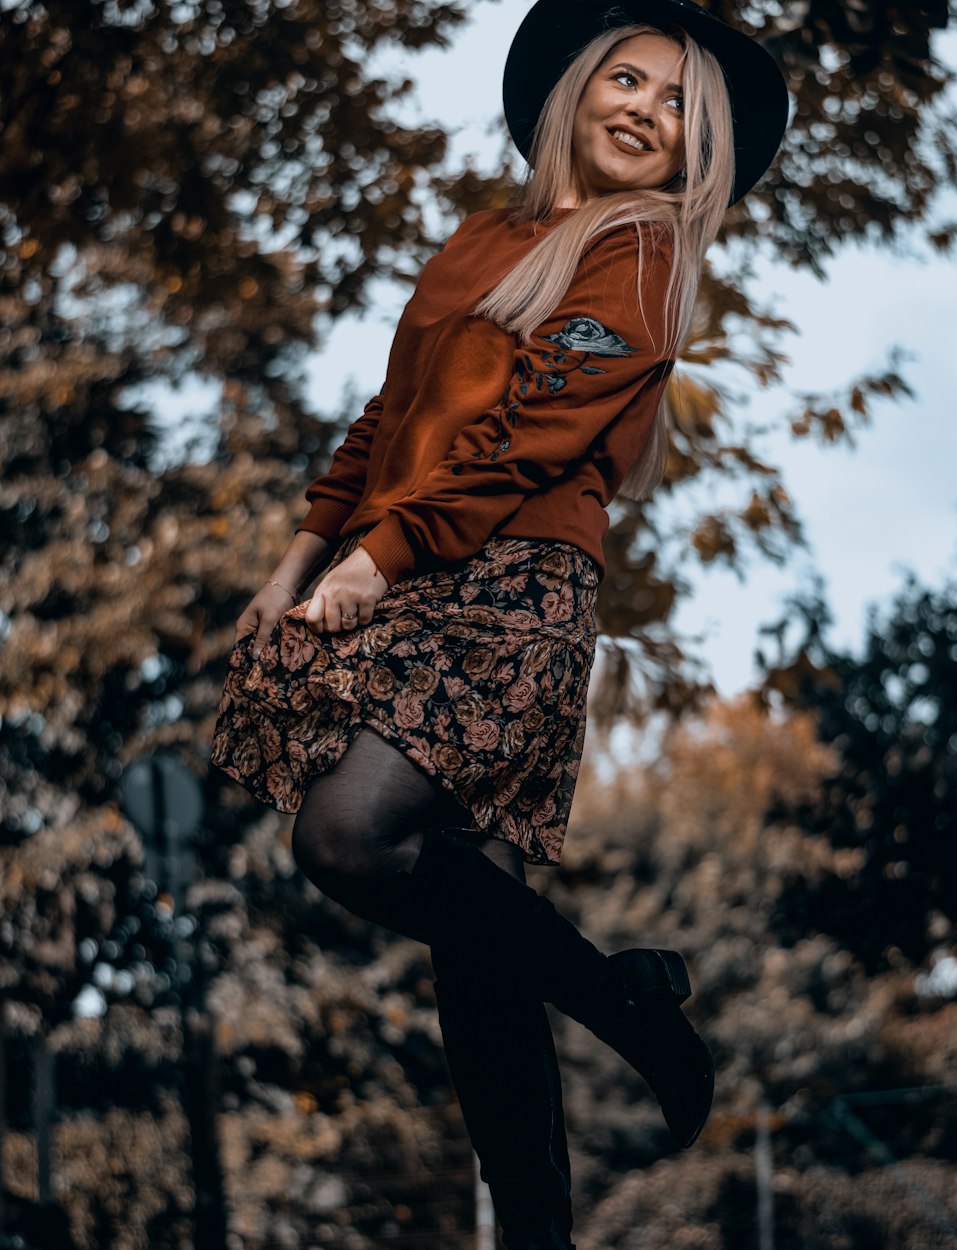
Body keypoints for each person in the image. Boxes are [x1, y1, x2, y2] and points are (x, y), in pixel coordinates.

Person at [211, 1, 787, 1246]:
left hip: (511, 578)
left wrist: (382, 555)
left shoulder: (641, 252)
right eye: (627, 81)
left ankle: (624, 1008)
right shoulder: (482, 239)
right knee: (476, 932)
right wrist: (303, 557)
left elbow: (538, 429)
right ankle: (539, 1223)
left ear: (698, 148)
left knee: (349, 836)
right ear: (577, 93)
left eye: (679, 102)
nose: (645, 109)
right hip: (397, 560)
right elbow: (386, 419)